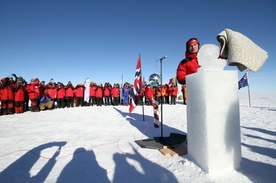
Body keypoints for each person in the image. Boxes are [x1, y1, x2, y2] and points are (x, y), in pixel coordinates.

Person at [176, 38, 201, 104]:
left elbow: (219, 61)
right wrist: (194, 78)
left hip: (209, 89)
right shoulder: (184, 62)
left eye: (195, 45)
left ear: (198, 46)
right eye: (191, 46)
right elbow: (180, 77)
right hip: (193, 91)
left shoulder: (206, 58)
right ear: (188, 48)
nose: (193, 47)